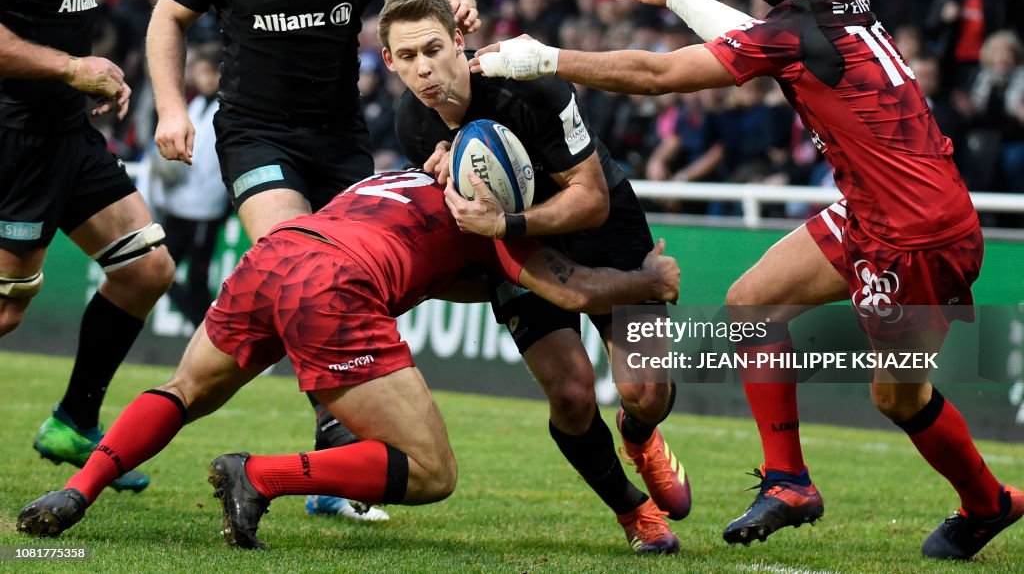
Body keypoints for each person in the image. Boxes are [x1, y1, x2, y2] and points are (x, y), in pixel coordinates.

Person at [470, 0, 1023, 562]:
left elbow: (657, 74)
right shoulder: (840, 10)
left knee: (898, 397)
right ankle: (789, 480)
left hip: (913, 235)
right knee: (753, 301)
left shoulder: (796, 32)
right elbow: (758, 35)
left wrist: (543, 57)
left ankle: (988, 502)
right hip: (890, 208)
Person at [16, 169, 682, 548]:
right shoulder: (493, 216)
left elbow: (434, 266)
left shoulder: (400, 172)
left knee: (186, 386)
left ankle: (80, 489)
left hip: (279, 252)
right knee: (430, 470)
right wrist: (651, 282)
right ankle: (261, 475)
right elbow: (567, 287)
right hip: (337, 285)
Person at [146, 0, 480, 520]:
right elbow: (168, 18)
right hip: (254, 132)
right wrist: (168, 107)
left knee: (342, 287)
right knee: (300, 264)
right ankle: (319, 445)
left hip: (339, 137)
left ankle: (332, 464)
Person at [382, 0, 690, 554]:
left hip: (606, 227)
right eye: (407, 58)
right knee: (572, 396)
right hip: (520, 247)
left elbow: (591, 199)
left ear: (458, 40)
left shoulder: (529, 83)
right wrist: (447, 191)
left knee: (646, 391)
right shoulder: (412, 125)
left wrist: (505, 225)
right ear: (389, 62)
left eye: (432, 49)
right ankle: (635, 513)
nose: (423, 70)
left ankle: (639, 432)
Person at [0, 0, 175, 493]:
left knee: (147, 269)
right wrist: (70, 68)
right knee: (7, 309)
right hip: (18, 143)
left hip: (67, 134)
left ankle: (74, 422)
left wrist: (90, 77)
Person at [141, 45, 231, 329]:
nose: (202, 78)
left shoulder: (225, 111)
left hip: (205, 209)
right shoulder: (195, 105)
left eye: (208, 72)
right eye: (199, 72)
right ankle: (207, 332)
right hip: (180, 207)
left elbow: (202, 158)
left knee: (195, 281)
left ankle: (210, 335)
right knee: (159, 272)